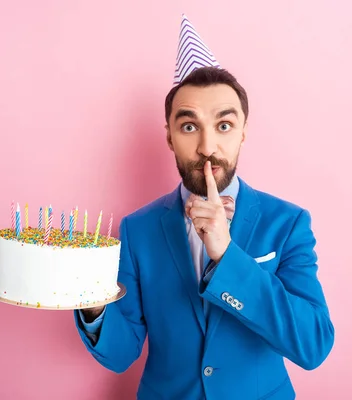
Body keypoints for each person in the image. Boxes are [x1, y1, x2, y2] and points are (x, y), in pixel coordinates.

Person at [73, 15, 334, 400]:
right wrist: (94, 309)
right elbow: (121, 351)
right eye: (189, 126)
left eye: (224, 126)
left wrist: (228, 257)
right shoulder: (137, 230)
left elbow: (312, 345)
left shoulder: (289, 224)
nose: (207, 146)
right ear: (169, 136)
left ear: (244, 131)